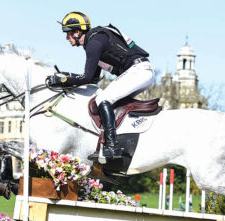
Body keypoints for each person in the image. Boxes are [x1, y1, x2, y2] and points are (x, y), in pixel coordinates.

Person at [47, 12, 155, 161]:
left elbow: (87, 77)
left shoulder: (94, 42)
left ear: (77, 32)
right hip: (141, 71)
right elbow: (95, 78)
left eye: (68, 34)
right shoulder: (94, 40)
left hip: (138, 71)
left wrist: (63, 80)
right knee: (112, 102)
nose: (67, 38)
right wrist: (66, 77)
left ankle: (112, 146)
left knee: (103, 98)